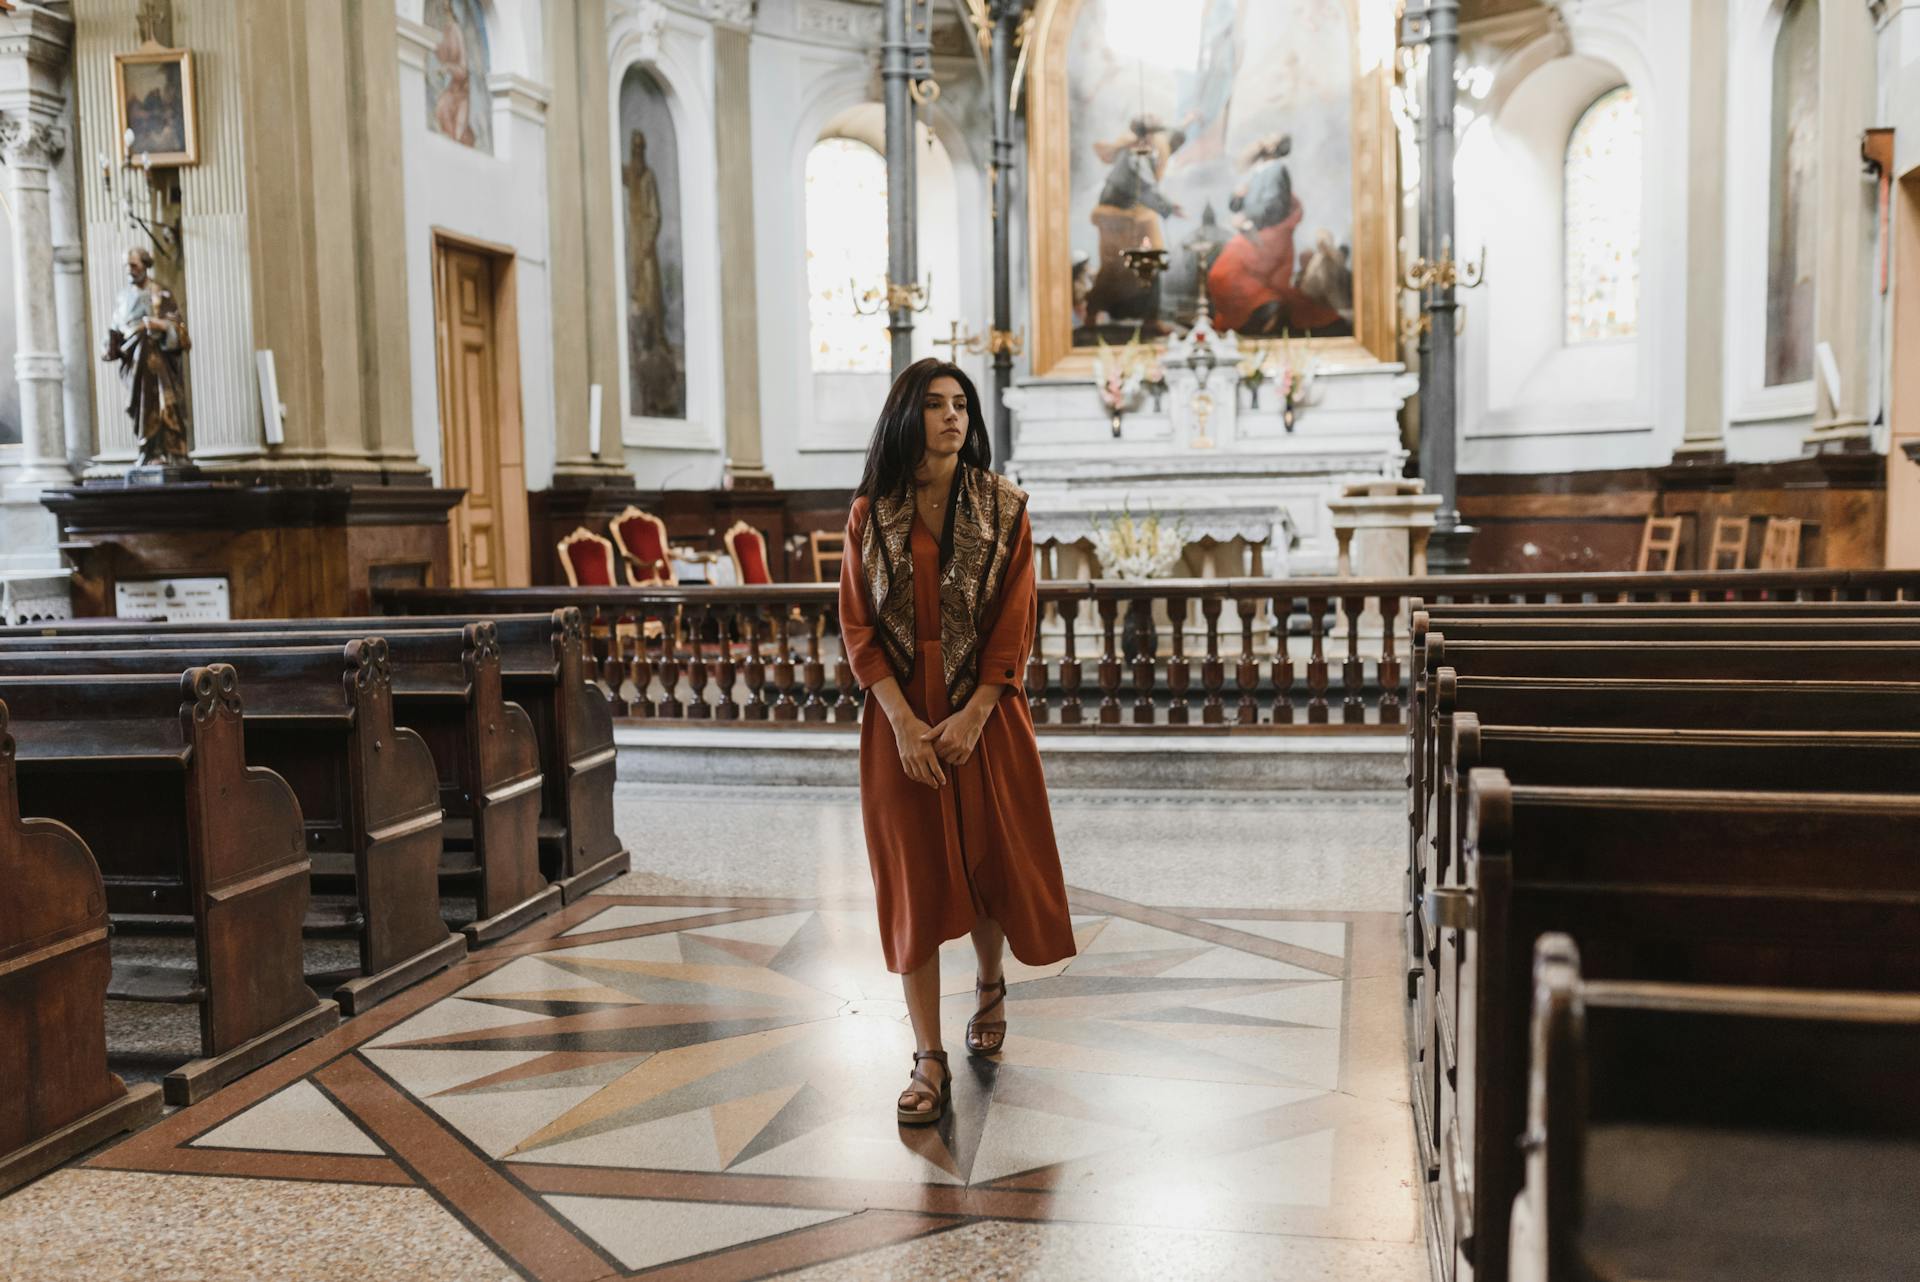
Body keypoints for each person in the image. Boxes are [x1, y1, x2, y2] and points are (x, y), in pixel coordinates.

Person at [837, 359, 1076, 1126]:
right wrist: (905, 722)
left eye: (961, 405)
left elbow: (1016, 617)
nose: (952, 417)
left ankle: (990, 982)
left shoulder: (1003, 508)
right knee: (913, 879)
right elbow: (856, 627)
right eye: (937, 404)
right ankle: (927, 1055)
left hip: (987, 709)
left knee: (989, 858)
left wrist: (975, 712)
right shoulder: (870, 514)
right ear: (908, 416)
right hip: (898, 717)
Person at [102, 246, 191, 467]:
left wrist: (154, 324)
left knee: (163, 405)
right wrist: (110, 347)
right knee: (140, 406)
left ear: (145, 265)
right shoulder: (122, 298)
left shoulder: (161, 293)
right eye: (126, 266)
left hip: (157, 360)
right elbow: (116, 330)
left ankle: (169, 451)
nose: (129, 270)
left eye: (133, 265)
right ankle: (148, 450)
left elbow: (178, 329)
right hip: (134, 364)